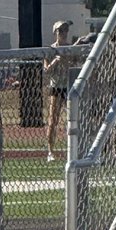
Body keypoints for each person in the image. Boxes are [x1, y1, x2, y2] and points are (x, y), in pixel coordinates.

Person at [45, 20, 76, 161]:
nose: (63, 33)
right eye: (60, 30)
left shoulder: (71, 48)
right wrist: (56, 61)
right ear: (55, 32)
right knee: (53, 120)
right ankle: (50, 151)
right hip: (56, 87)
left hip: (69, 86)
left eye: (65, 30)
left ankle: (74, 149)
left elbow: (76, 64)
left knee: (74, 119)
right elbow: (46, 71)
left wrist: (68, 60)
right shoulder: (50, 50)